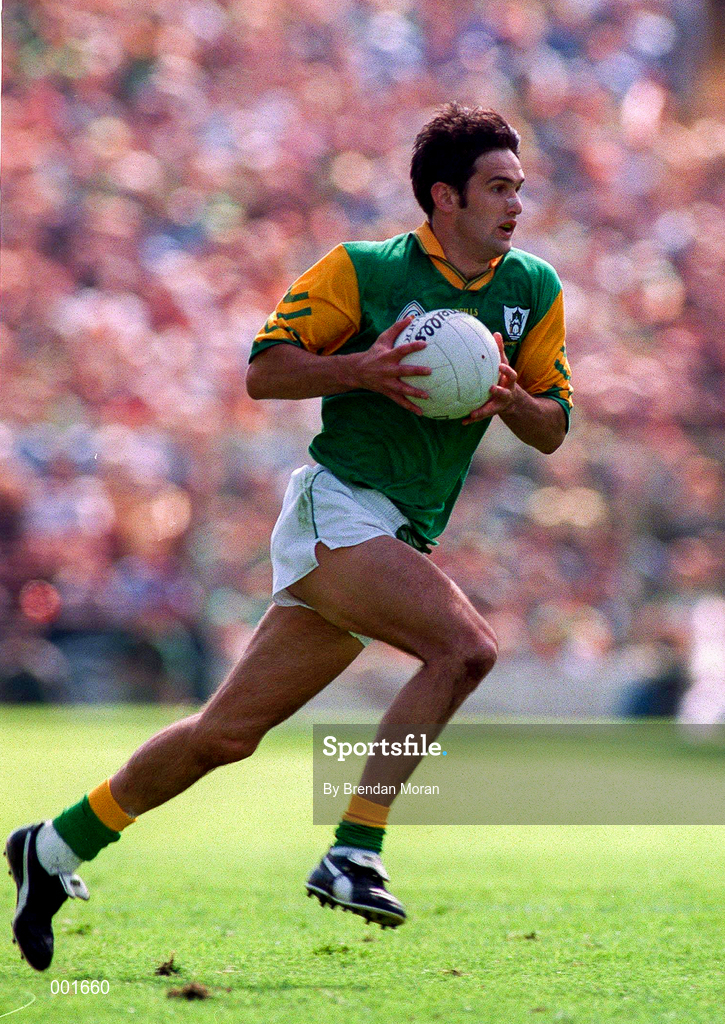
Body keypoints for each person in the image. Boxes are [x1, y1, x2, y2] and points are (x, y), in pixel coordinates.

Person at [5, 103, 572, 970]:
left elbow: (552, 428)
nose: (515, 205)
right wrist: (364, 368)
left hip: (399, 532)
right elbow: (263, 370)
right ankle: (354, 850)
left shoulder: (532, 289)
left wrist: (510, 401)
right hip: (337, 509)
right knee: (464, 649)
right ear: (442, 197)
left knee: (224, 736)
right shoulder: (360, 270)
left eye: (518, 189)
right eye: (498, 189)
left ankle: (52, 847)